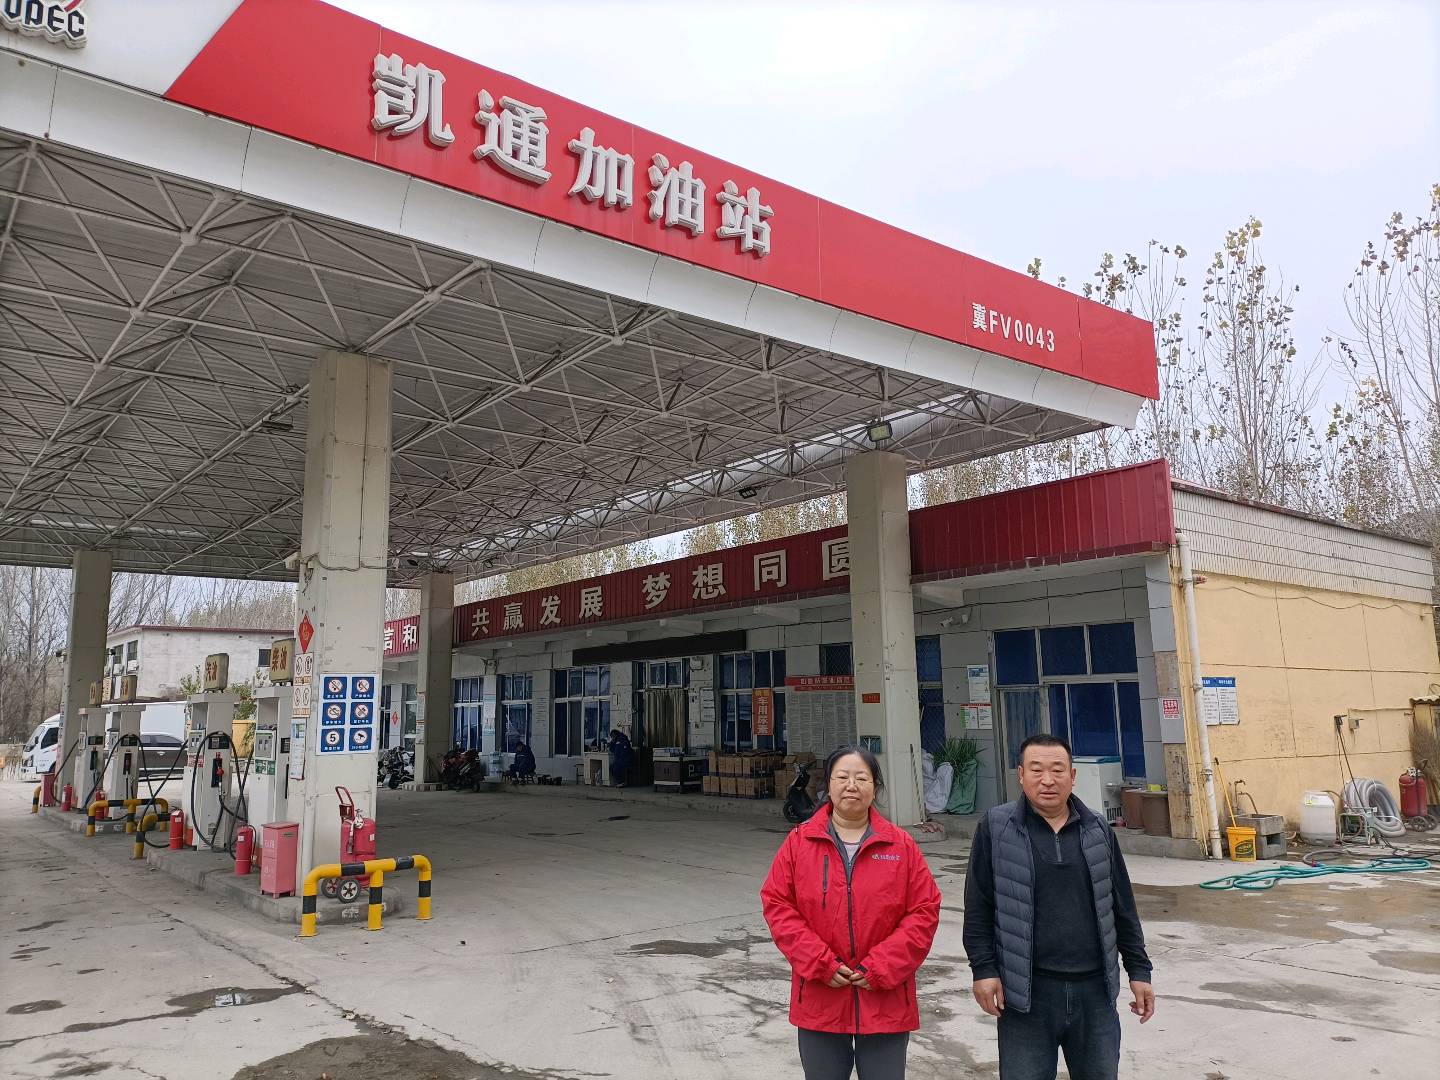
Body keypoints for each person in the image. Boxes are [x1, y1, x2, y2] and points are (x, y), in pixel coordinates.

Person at [962, 734, 1155, 1080]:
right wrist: (984, 969)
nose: (1047, 780)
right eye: (1036, 770)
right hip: (1025, 995)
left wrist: (1139, 971)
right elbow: (979, 907)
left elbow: (1122, 906)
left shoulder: (1097, 829)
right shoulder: (996, 827)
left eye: (1057, 770)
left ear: (1073, 776)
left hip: (1095, 993)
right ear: (1021, 774)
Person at [761, 745, 942, 1080]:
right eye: (842, 777)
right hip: (821, 997)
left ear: (875, 786)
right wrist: (820, 963)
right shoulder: (800, 843)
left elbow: (924, 911)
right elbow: (778, 905)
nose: (851, 786)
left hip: (885, 998)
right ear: (828, 786)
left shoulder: (900, 845)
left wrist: (881, 967)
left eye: (862, 778)